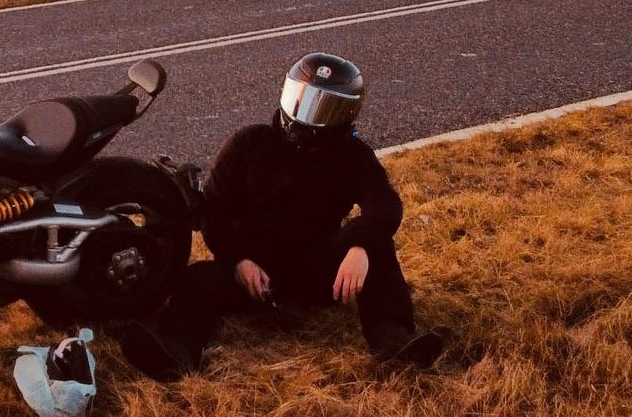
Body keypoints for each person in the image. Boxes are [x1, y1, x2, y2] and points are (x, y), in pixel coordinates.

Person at [119, 53, 443, 377]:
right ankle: (175, 355)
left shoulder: (352, 156)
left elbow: (385, 203)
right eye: (302, 98)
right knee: (195, 280)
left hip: (316, 271)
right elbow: (215, 211)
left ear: (345, 114)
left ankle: (394, 344)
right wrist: (238, 262)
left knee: (379, 249)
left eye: (323, 107)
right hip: (254, 273)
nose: (307, 114)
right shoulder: (249, 142)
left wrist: (360, 247)